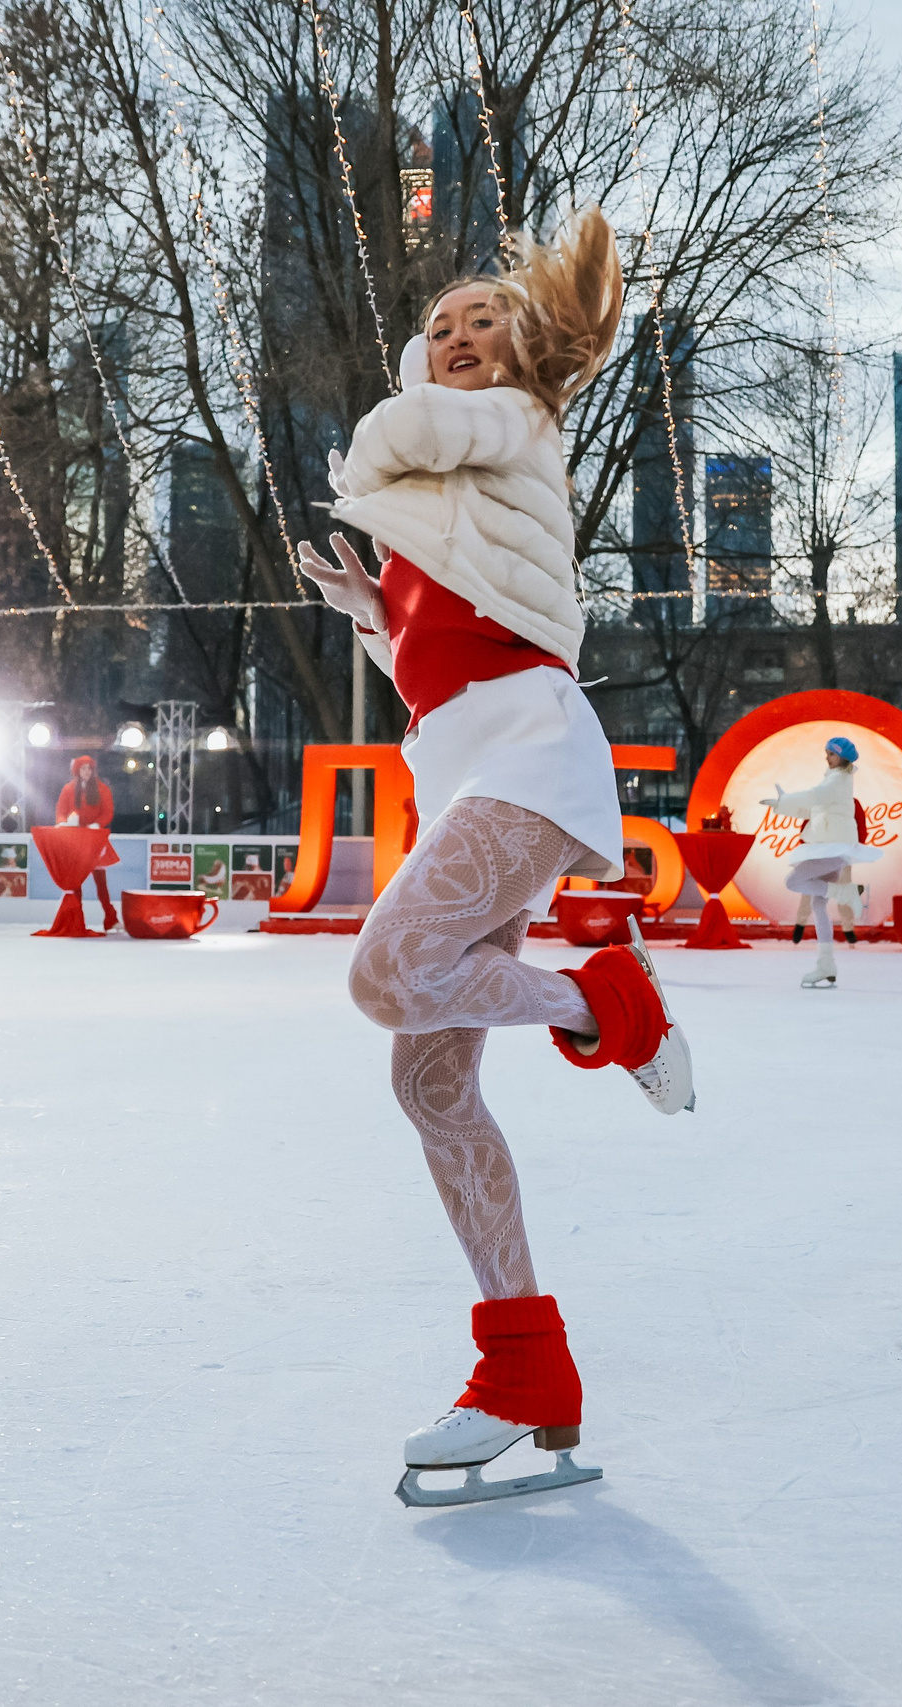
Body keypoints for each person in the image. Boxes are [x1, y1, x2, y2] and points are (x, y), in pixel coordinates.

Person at [295, 209, 692, 1505]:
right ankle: (527, 1367)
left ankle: (603, 1001)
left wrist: (390, 418)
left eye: (485, 321)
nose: (459, 335)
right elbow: (436, 666)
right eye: (444, 324)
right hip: (464, 758)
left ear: (525, 356)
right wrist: (377, 609)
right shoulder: (447, 511)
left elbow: (399, 436)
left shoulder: (510, 421)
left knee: (386, 972)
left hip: (527, 754)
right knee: (431, 1087)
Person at [761, 736, 883, 989]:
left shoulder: (839, 780)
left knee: (793, 881)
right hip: (829, 847)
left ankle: (845, 892)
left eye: (831, 754)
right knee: (818, 904)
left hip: (833, 847)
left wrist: (785, 801)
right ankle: (826, 964)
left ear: (843, 758)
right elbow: (813, 808)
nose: (826, 757)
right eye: (826, 753)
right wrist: (781, 806)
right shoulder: (834, 780)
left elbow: (814, 797)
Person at [56, 755, 120, 934]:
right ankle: (76, 919)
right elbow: (61, 811)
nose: (87, 772)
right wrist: (63, 823)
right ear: (77, 770)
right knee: (75, 883)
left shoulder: (101, 789)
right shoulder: (68, 789)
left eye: (89, 768)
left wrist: (97, 824)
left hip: (94, 839)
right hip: (75, 840)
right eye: (83, 768)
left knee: (101, 883)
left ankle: (111, 918)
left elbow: (108, 812)